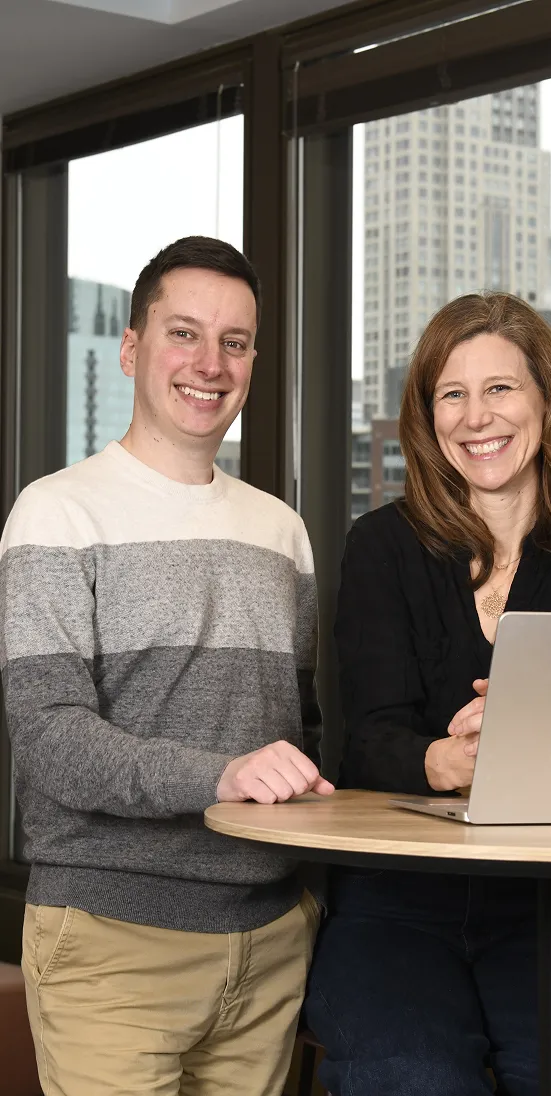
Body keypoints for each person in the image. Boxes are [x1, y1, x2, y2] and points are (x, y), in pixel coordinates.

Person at [0, 236, 334, 1096]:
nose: (210, 363)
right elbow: (51, 740)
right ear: (131, 347)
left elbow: (304, 737)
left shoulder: (282, 532)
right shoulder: (55, 513)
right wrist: (222, 776)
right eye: (183, 333)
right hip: (114, 944)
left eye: (235, 341)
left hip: (268, 945)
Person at [303, 292, 551, 1096]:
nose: (475, 416)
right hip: (393, 902)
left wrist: (535, 732)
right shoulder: (381, 546)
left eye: (500, 388)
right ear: (427, 419)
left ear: (546, 401)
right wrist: (447, 760)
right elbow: (368, 741)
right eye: (450, 394)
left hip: (545, 904)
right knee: (417, 1079)